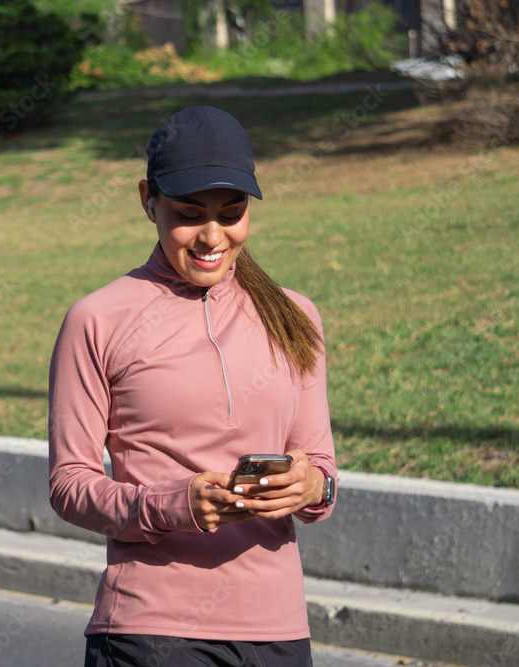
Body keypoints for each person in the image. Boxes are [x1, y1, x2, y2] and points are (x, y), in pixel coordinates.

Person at [47, 106, 338, 667]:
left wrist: (311, 488)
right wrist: (170, 506)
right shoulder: (96, 319)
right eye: (188, 215)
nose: (212, 237)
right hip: (151, 631)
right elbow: (69, 484)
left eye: (232, 213)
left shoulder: (296, 315)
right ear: (148, 201)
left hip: (278, 630)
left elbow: (321, 466)